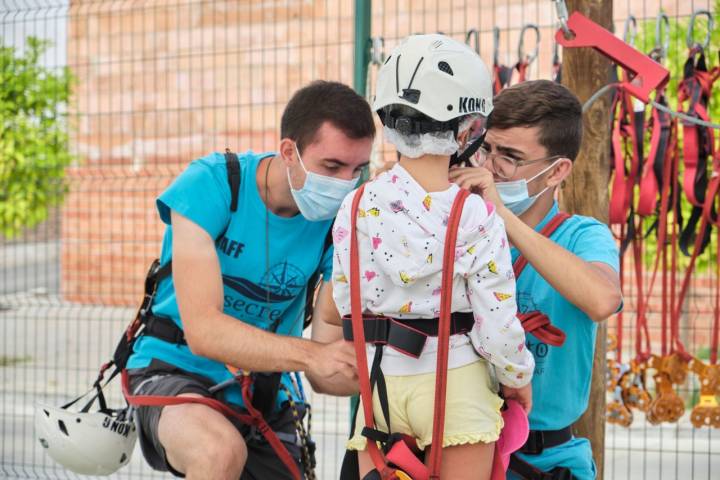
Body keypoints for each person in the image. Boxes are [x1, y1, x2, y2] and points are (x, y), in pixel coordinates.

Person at [125, 80, 375, 480]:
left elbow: (324, 368)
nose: (346, 183)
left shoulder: (341, 223)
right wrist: (312, 355)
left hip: (262, 388)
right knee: (219, 452)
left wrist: (394, 381)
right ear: (289, 151)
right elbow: (204, 332)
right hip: (175, 368)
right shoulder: (213, 185)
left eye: (357, 169)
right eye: (332, 167)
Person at [331, 34, 535, 480]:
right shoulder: (475, 214)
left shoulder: (356, 204)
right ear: (466, 129)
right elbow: (498, 326)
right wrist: (517, 379)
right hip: (456, 384)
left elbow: (346, 302)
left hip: (380, 383)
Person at [449, 79, 623, 480]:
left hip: (548, 459)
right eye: (486, 148)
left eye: (509, 156)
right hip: (463, 450)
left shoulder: (582, 235)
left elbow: (602, 300)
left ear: (556, 171)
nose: (489, 167)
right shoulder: (461, 225)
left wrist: (501, 218)